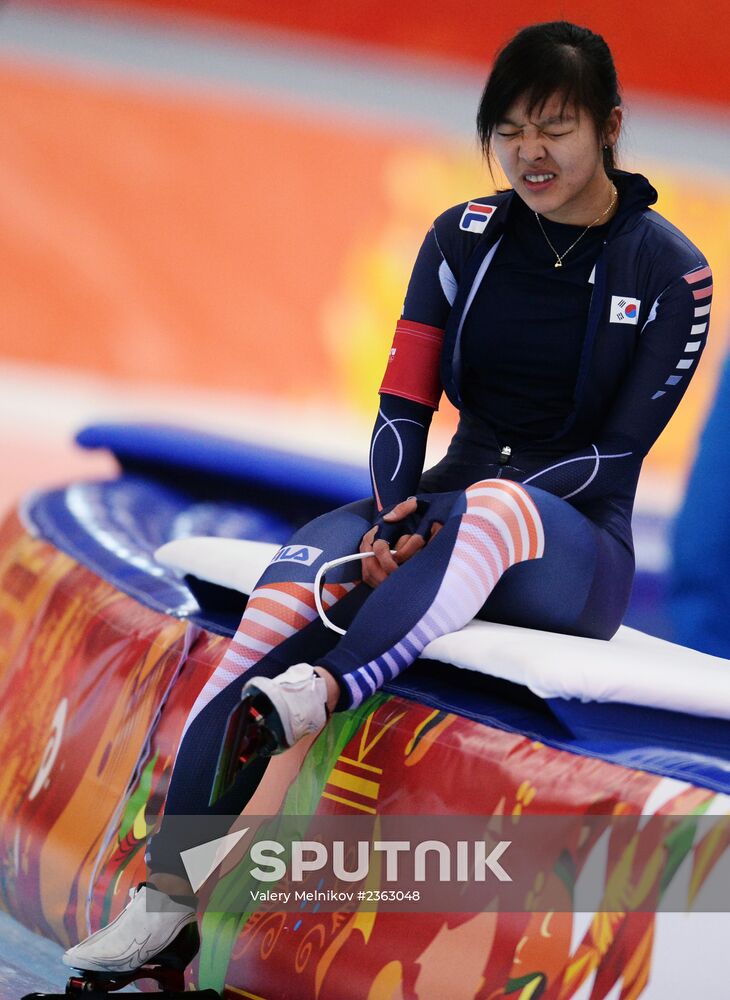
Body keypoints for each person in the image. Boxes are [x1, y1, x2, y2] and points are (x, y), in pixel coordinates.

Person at [63, 20, 712, 981]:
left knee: (488, 509)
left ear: (610, 128)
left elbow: (612, 460)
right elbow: (401, 402)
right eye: (509, 131)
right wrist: (393, 511)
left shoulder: (672, 272)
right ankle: (166, 907)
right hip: (445, 512)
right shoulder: (462, 238)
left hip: (574, 550)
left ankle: (326, 691)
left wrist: (446, 519)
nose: (530, 152)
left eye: (556, 129)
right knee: (284, 599)